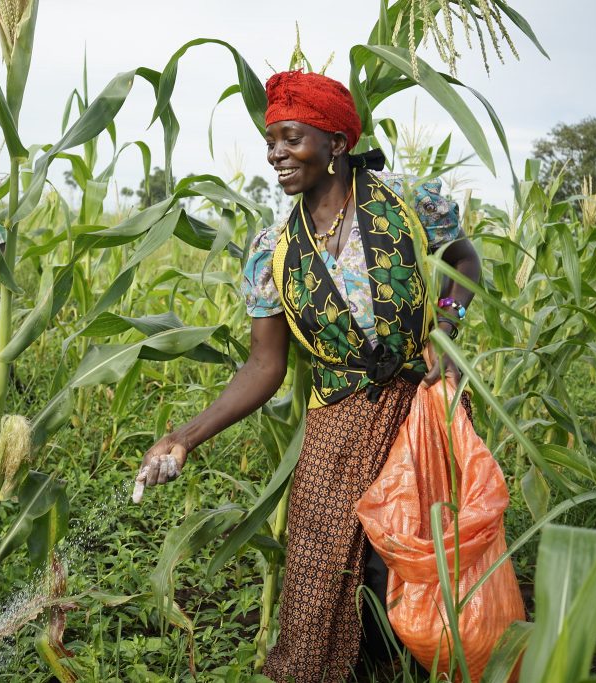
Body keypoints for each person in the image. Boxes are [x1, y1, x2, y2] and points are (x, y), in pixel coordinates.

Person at [136, 70, 481, 682]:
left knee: (413, 563)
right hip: (336, 424)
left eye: (290, 138)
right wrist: (183, 437)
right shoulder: (274, 249)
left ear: (336, 144)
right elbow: (263, 366)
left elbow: (464, 258)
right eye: (272, 141)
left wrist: (446, 329)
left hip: (419, 408)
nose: (276, 154)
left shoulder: (408, 202)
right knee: (323, 578)